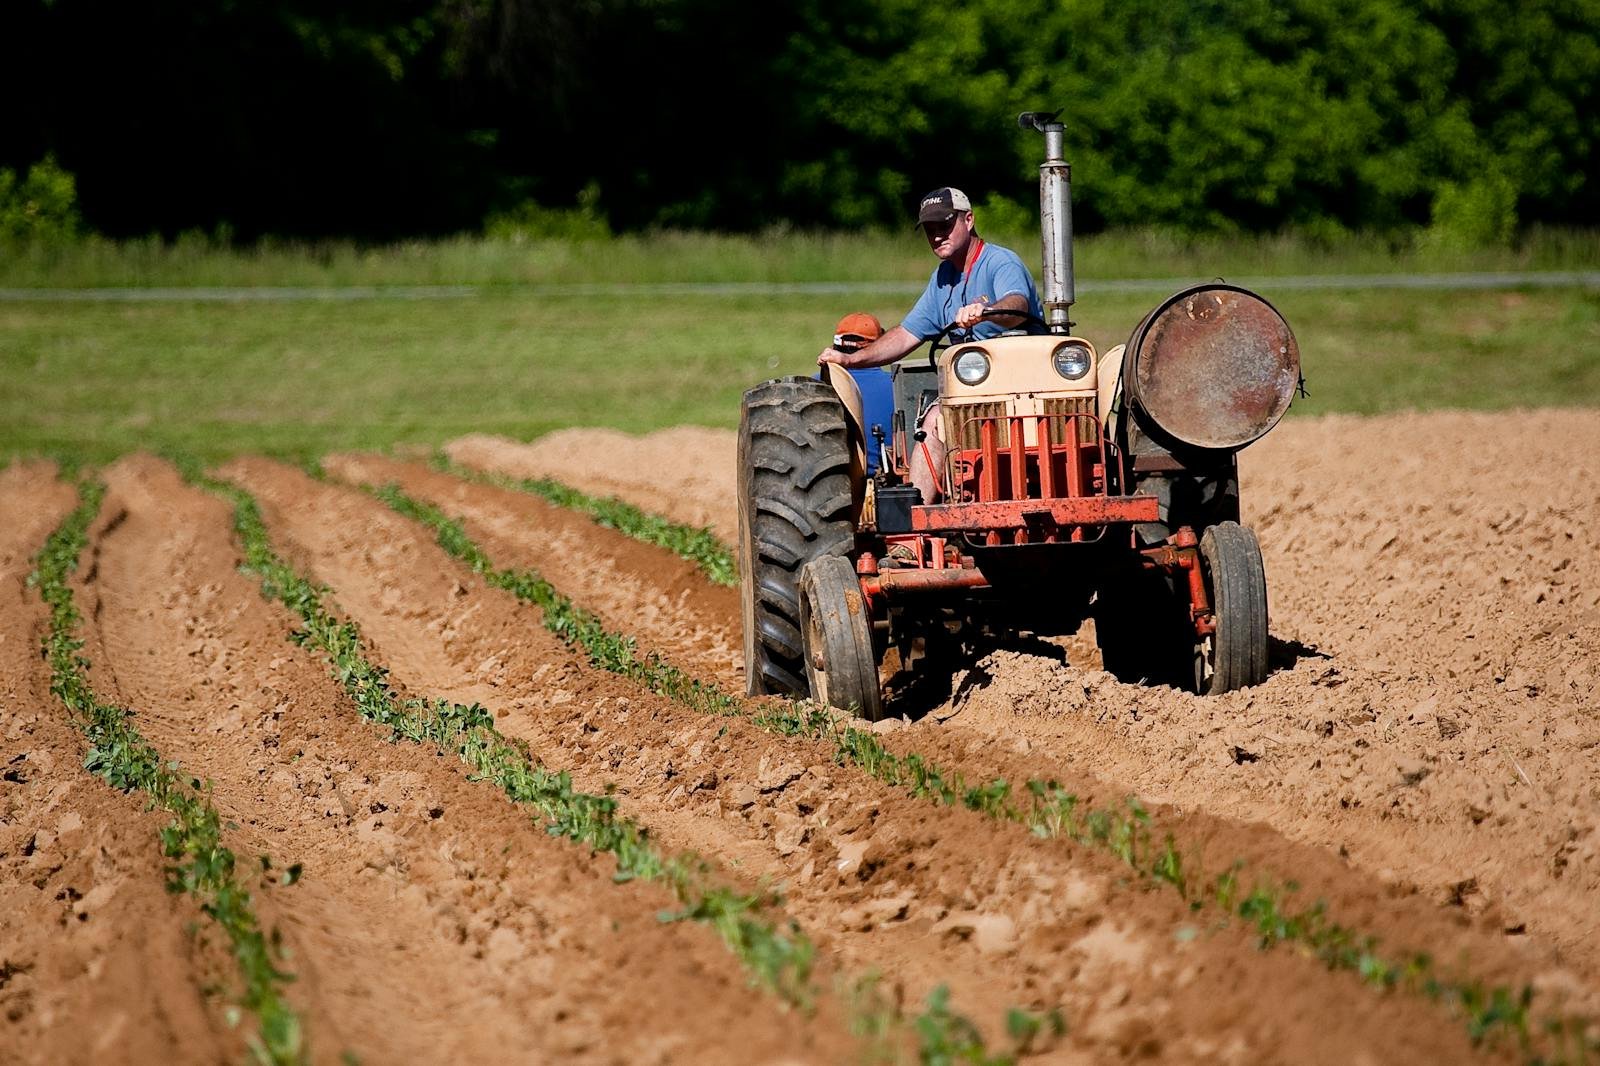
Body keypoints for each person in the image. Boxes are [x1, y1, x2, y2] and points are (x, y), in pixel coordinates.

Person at [818, 187, 1044, 503]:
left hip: (1025, 385)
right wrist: (851, 360)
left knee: (939, 416)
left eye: (945, 225)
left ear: (969, 219)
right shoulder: (942, 279)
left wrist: (987, 311)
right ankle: (916, 528)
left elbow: (1018, 305)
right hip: (971, 393)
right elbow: (905, 335)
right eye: (930, 229)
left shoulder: (999, 262)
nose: (937, 235)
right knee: (933, 421)